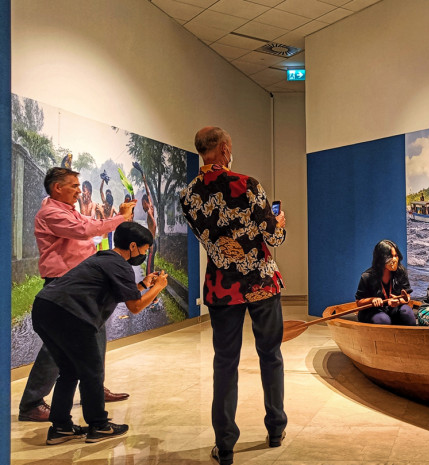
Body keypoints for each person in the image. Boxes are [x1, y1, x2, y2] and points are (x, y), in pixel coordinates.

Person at [180, 126, 288, 464]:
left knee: (225, 363)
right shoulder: (248, 184)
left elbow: (208, 238)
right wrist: (279, 221)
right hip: (260, 283)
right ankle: (275, 429)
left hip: (221, 287)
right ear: (225, 149)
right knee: (270, 355)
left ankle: (225, 444)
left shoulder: (188, 196)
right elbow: (274, 238)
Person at [32, 222, 168, 445]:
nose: (144, 254)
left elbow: (122, 291)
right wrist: (159, 286)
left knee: (69, 370)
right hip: (71, 314)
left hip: (44, 308)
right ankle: (99, 425)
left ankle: (61, 428)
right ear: (133, 246)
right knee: (92, 372)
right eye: (144, 250)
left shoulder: (104, 258)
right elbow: (134, 307)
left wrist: (143, 284)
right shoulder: (120, 265)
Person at [18, 167, 135, 423]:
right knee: (56, 346)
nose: (79, 190)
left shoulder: (70, 211)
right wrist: (121, 219)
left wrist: (118, 217)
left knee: (97, 336)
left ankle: (94, 388)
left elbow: (92, 226)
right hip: (63, 284)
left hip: (81, 282)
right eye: (73, 185)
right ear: (57, 187)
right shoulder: (50, 213)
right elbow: (83, 231)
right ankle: (31, 403)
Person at [354, 240, 416, 326]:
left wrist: (399, 301)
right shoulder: (367, 276)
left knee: (407, 313)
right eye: (390, 256)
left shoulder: (401, 273)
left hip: (393, 309)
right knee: (383, 320)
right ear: (381, 259)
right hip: (372, 311)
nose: (394, 260)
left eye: (396, 256)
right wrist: (372, 300)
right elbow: (358, 302)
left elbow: (407, 297)